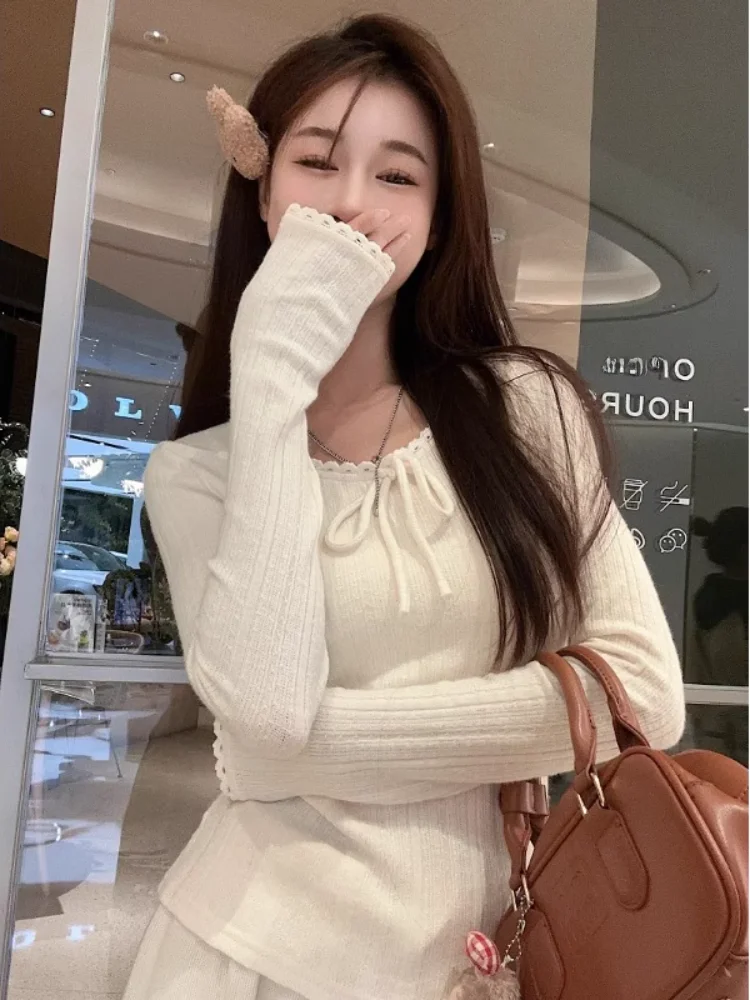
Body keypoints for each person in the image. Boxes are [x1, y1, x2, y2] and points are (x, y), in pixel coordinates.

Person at [123, 13, 685, 1000]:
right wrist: (270, 374)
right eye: (316, 162)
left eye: (396, 174)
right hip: (249, 956)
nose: (351, 203)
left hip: (486, 953)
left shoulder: (527, 412)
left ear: (438, 214)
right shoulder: (199, 473)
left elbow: (643, 693)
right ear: (263, 190)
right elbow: (267, 712)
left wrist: (302, 755)